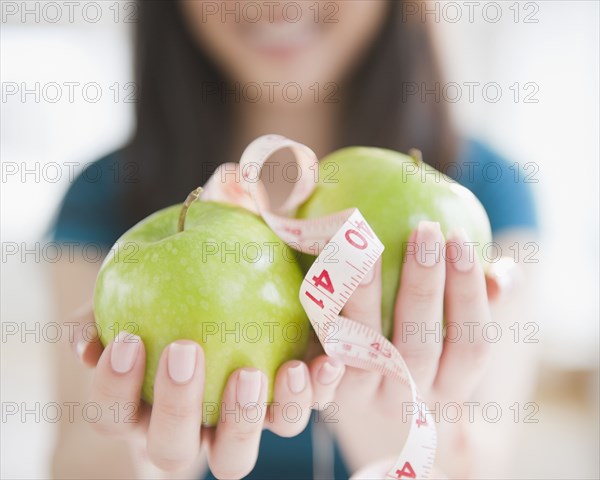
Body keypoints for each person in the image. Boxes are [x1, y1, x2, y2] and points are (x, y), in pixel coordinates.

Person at [51, 1, 539, 479]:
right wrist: (140, 462)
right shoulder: (99, 196)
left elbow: (486, 465)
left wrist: (395, 431)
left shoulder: (488, 189)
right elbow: (72, 462)